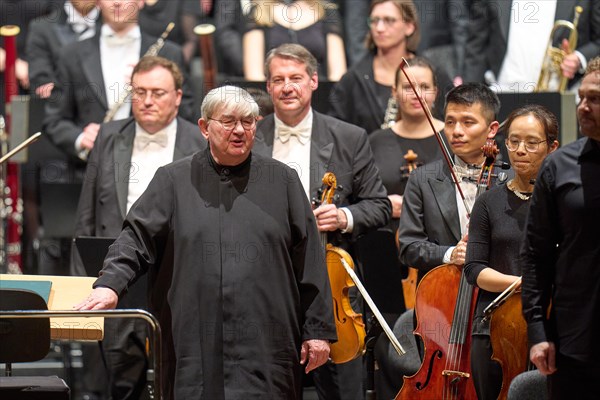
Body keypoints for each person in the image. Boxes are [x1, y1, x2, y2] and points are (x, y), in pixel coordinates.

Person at [76, 85, 336, 400]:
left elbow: (309, 258)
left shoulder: (282, 180)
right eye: (228, 121)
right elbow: (135, 238)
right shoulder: (172, 179)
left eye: (248, 121)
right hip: (193, 345)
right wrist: (109, 284)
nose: (239, 130)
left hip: (267, 344)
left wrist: (318, 331)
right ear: (204, 127)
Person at [253, 42, 392, 400]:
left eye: (296, 78)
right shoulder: (249, 138)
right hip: (266, 286)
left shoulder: (349, 137)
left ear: (314, 81)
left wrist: (344, 215)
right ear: (268, 86)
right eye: (278, 79)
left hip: (331, 288)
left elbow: (378, 204)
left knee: (344, 391)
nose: (287, 87)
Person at [71, 56, 206, 400]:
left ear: (177, 96)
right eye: (140, 91)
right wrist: (81, 281)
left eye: (157, 93)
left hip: (180, 273)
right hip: (118, 272)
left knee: (178, 372)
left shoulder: (199, 142)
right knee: (120, 373)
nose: (147, 101)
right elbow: (87, 210)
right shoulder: (110, 136)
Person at [464, 104, 559, 400]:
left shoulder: (564, 200)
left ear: (552, 147)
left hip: (554, 320)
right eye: (514, 141)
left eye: (532, 142)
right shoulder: (489, 202)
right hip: (493, 327)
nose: (520, 150)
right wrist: (521, 283)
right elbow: (474, 269)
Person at [364, 55, 445, 399]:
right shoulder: (375, 141)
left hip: (439, 259)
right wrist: (386, 205)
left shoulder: (451, 138)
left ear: (435, 92)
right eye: (408, 86)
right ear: (395, 92)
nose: (417, 93)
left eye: (424, 86)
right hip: (387, 260)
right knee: (390, 343)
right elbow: (363, 196)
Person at [520, 57, 600, 399]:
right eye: (581, 97)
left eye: (594, 98)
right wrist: (538, 331)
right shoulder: (558, 166)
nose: (582, 107)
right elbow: (535, 255)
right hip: (574, 340)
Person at [398, 82, 503, 275]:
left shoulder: (510, 179)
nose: (456, 131)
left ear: (492, 129)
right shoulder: (421, 180)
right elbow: (408, 247)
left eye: (468, 122)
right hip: (439, 296)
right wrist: (449, 254)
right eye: (450, 122)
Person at [464, 0, 600, 92]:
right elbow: (476, 45)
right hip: (501, 93)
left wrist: (579, 58)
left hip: (559, 97)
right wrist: (469, 96)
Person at [328, 0, 421, 134]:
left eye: (389, 20)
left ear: (409, 27)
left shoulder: (431, 74)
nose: (379, 28)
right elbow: (334, 130)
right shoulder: (353, 79)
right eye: (374, 21)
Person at [242, 0, 347, 82]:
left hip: (318, 95)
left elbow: (337, 74)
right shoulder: (258, 12)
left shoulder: (327, 12)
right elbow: (254, 75)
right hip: (273, 98)